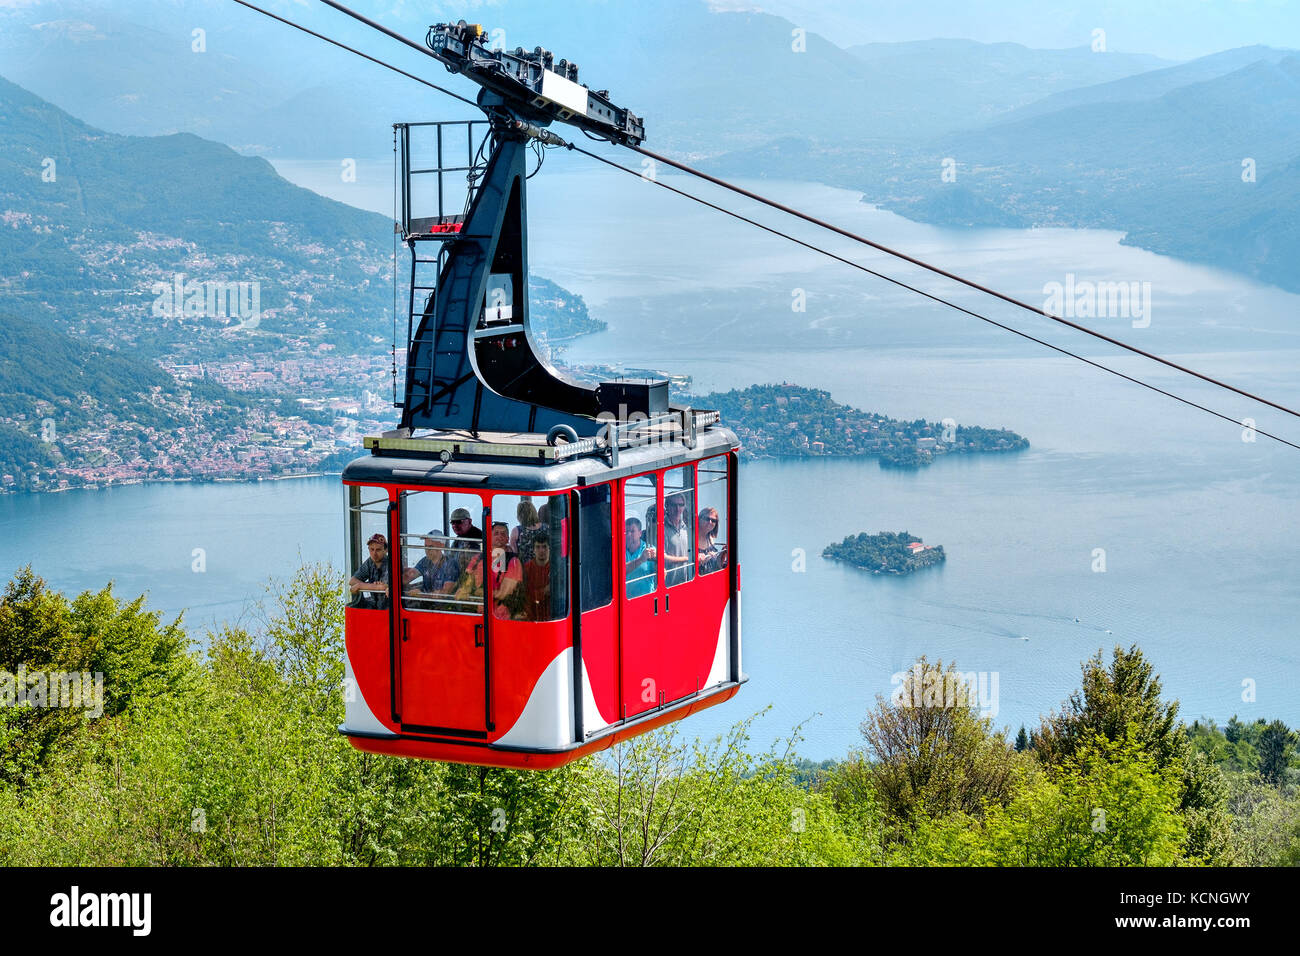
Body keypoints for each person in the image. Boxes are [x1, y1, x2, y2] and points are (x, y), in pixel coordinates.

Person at [403, 530, 461, 608]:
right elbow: (410, 575)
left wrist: (422, 595)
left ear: (441, 546)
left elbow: (445, 593)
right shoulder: (425, 561)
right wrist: (391, 586)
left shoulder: (450, 564)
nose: (427, 550)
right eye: (425, 546)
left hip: (445, 608)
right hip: (426, 606)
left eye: (430, 547)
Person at [490, 521, 525, 619]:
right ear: (489, 536)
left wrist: (479, 594)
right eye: (496, 533)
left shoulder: (513, 561)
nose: (499, 536)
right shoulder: (478, 558)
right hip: (479, 614)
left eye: (503, 534)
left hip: (503, 617)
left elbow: (503, 593)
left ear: (507, 539)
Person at [349, 533, 391, 609]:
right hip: (375, 608)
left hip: (390, 611)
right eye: (371, 549)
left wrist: (360, 586)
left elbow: (386, 587)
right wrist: (374, 586)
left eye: (378, 550)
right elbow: (352, 581)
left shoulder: (391, 564)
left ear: (386, 550)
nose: (374, 554)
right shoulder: (370, 562)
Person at [661, 492, 693, 587]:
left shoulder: (687, 528)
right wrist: (687, 559)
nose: (677, 509)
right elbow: (661, 557)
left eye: (681, 505)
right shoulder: (661, 528)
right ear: (667, 506)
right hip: (668, 584)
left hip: (687, 581)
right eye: (674, 505)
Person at [521, 530, 555, 621]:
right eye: (538, 547)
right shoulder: (526, 568)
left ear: (550, 548)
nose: (541, 550)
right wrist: (544, 591)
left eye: (544, 547)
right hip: (531, 617)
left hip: (553, 619)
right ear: (533, 549)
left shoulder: (557, 568)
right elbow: (525, 595)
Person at [624, 516, 657, 598]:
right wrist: (641, 560)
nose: (628, 534)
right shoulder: (620, 550)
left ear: (640, 533)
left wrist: (658, 560)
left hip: (646, 599)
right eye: (626, 532)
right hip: (626, 601)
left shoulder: (649, 549)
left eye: (632, 531)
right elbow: (621, 571)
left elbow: (663, 573)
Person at [696, 507, 728, 575]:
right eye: (707, 519)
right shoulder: (691, 538)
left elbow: (715, 565)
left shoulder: (710, 538)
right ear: (699, 519)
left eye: (713, 520)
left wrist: (723, 553)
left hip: (710, 577)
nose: (710, 522)